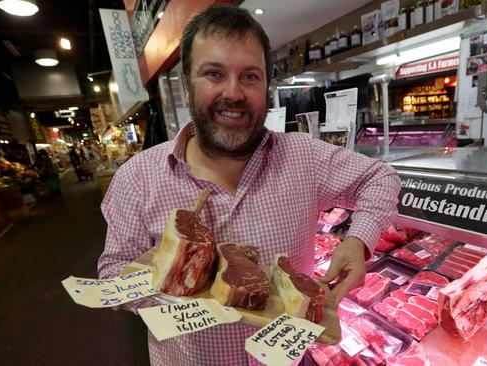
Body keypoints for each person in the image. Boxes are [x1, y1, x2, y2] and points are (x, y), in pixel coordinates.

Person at [98, 4, 400, 365]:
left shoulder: (303, 157)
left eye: (250, 77)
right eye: (214, 73)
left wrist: (357, 241)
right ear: (186, 83)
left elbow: (381, 177)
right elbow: (114, 272)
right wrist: (178, 284)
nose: (234, 93)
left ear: (266, 85)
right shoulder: (138, 178)